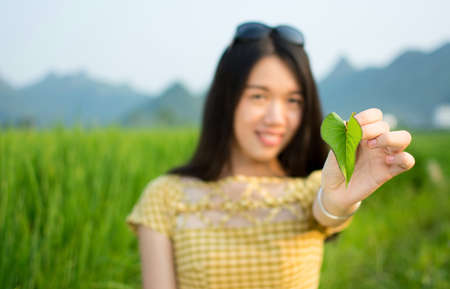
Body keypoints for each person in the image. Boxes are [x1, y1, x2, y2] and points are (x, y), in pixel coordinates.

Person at [126, 21, 415, 289]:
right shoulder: (165, 197)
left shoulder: (309, 190)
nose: (277, 118)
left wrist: (342, 197)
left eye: (293, 100)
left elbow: (328, 207)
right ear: (226, 100)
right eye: (258, 96)